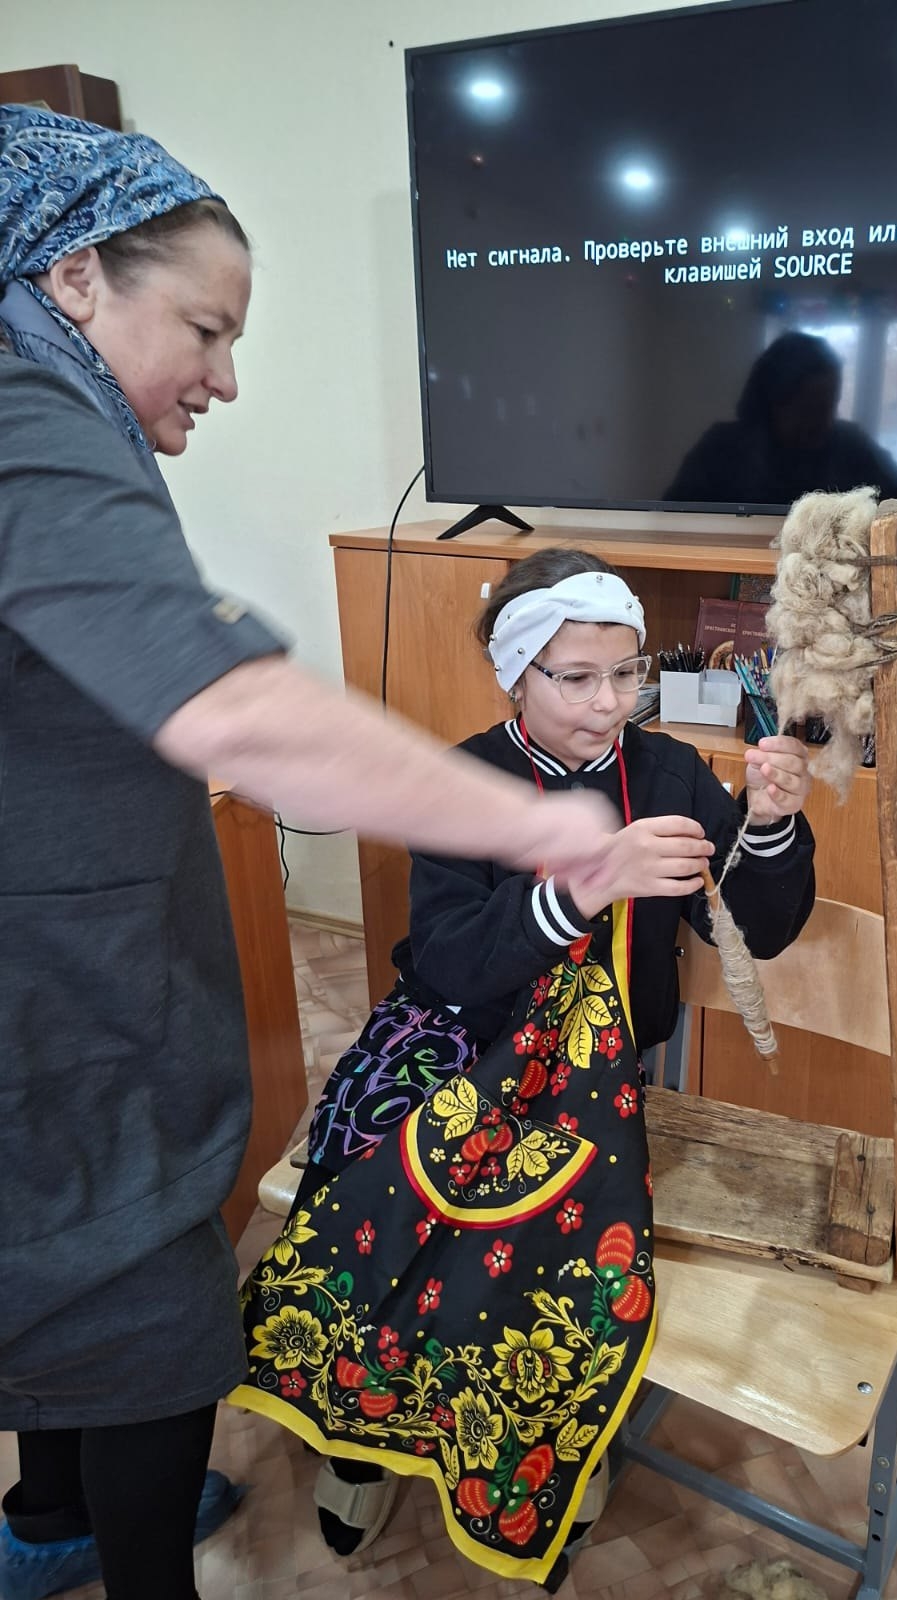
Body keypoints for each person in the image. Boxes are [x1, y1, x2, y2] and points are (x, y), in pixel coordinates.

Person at [0, 106, 613, 1600]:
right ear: (75, 278)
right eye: (204, 329)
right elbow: (229, 705)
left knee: (60, 1267)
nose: (224, 376)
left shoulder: (56, 403)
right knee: (143, 1301)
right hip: (56, 1009)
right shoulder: (21, 408)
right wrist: (540, 829)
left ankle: (46, 1514)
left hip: (65, 978)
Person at [234, 547, 818, 1585]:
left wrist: (769, 827)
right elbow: (450, 959)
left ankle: (543, 1445)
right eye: (576, 677)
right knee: (368, 1182)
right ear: (516, 674)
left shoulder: (670, 773)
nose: (610, 702)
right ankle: (362, 1437)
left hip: (597, 1071)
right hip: (458, 1041)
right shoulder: (461, 779)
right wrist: (586, 886)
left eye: (627, 672)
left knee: (562, 1250)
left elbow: (758, 928)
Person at [664, 331, 897, 507]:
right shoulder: (721, 446)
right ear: (772, 401)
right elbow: (675, 508)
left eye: (830, 406)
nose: (824, 421)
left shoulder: (851, 444)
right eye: (811, 408)